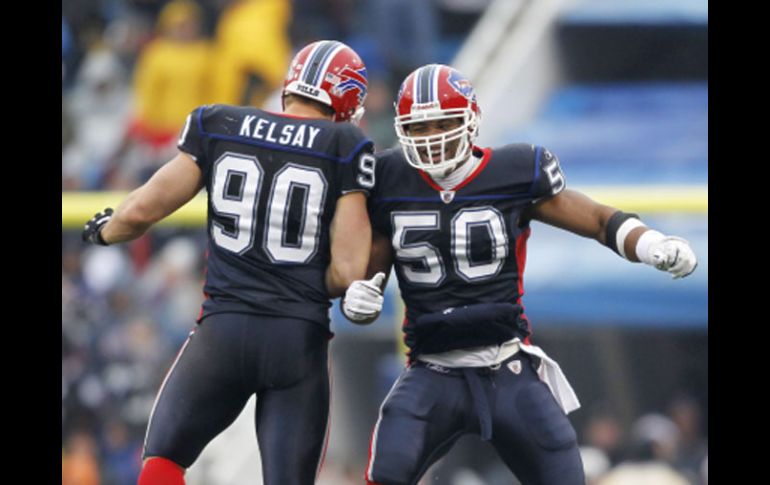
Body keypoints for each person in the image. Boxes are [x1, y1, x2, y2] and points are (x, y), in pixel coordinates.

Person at [341, 64, 697, 485]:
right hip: (431, 370)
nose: (433, 138)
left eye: (444, 123)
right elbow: (374, 258)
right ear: (402, 129)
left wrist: (649, 242)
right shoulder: (388, 177)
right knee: (387, 472)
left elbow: (598, 220)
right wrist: (362, 289)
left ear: (470, 119)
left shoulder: (513, 171)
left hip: (506, 366)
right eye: (420, 127)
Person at [82, 40, 375, 485]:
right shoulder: (345, 143)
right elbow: (346, 274)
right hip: (295, 341)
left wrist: (106, 229)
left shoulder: (220, 122)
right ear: (346, 99)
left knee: (163, 462)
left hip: (221, 331)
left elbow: (141, 212)